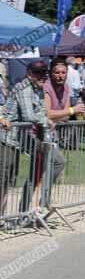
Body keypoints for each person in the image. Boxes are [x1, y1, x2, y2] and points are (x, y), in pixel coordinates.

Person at [1, 61, 59, 214]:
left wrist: (45, 119)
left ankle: (6, 217)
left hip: (16, 139)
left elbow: (40, 111)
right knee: (3, 181)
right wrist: (46, 121)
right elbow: (29, 115)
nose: (43, 76)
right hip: (6, 139)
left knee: (8, 181)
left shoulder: (36, 89)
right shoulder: (25, 88)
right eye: (39, 73)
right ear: (29, 74)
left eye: (45, 73)